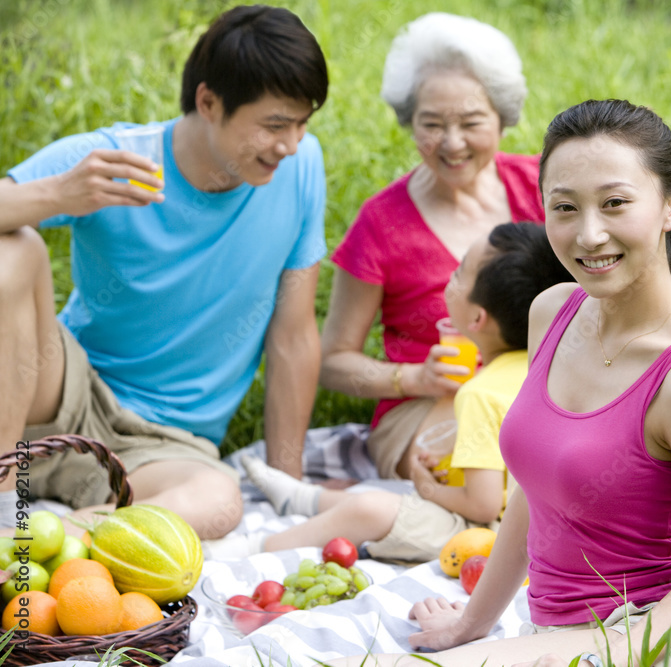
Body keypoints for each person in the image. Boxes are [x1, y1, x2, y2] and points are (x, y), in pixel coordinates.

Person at [330, 99, 671, 667]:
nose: (589, 235)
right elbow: (535, 494)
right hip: (552, 632)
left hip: (642, 636)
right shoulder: (553, 311)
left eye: (615, 203)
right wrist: (473, 625)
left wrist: (586, 654)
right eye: (565, 208)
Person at [0, 5, 329, 539]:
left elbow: (293, 335)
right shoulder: (116, 159)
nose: (290, 144)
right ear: (208, 102)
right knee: (13, 249)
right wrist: (58, 195)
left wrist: (285, 478)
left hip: (164, 448)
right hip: (63, 395)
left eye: (301, 123)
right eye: (274, 125)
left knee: (219, 501)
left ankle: (51, 543)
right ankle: (4, 490)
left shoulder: (300, 169)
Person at [211, 223, 574, 561]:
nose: (451, 276)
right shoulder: (555, 366)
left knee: (370, 510)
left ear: (477, 320)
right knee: (391, 499)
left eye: (461, 271)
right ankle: (303, 497)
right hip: (557, 527)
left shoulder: (480, 393)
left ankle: (252, 546)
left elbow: (481, 505)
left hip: (500, 539)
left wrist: (427, 488)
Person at [320, 12, 544, 485]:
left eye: (471, 122)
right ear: (409, 121)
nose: (453, 143)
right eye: (433, 124)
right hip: (428, 410)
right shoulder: (380, 223)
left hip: (541, 390)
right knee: (491, 458)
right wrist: (412, 378)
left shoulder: (546, 187)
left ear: (502, 117)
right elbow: (333, 362)